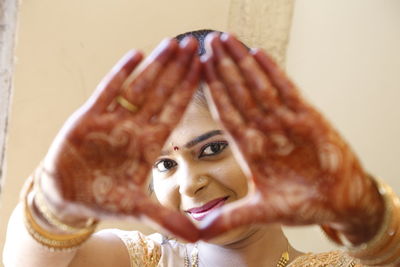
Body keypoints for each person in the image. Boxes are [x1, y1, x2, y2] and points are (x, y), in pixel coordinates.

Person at [3, 30, 400, 267]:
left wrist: (371, 219)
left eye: (211, 150)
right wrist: (54, 207)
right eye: (164, 163)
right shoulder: (142, 260)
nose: (190, 184)